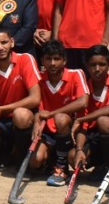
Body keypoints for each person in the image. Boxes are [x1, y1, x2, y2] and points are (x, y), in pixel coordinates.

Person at [0, 28, 41, 166]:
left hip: (22, 117)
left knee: (21, 115)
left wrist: (1, 109)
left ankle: (20, 159)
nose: (0, 48)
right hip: (0, 120)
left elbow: (35, 98)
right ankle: (3, 154)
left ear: (12, 42)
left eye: (4, 42)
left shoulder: (26, 59)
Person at [31, 40, 89, 185]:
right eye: (48, 59)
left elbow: (83, 101)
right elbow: (36, 106)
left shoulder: (76, 74)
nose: (52, 63)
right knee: (36, 160)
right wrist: (37, 121)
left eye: (57, 59)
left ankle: (61, 166)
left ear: (64, 60)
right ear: (42, 60)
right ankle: (50, 162)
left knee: (61, 118)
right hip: (48, 130)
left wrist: (52, 113)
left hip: (69, 130)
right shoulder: (39, 78)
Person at [70, 45, 109, 180]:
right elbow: (84, 125)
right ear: (87, 66)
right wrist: (79, 150)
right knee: (72, 157)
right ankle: (99, 164)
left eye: (102, 64)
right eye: (93, 65)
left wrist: (80, 120)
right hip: (93, 136)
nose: (97, 69)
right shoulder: (84, 86)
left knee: (103, 121)